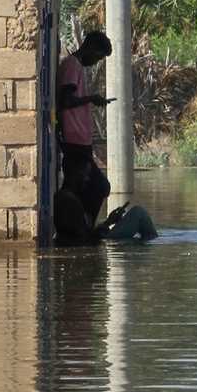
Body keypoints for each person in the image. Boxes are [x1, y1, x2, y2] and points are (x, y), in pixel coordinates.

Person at [59, 31, 114, 222]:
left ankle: (79, 225)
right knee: (98, 186)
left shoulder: (76, 67)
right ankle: (81, 227)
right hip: (74, 139)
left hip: (80, 139)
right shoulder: (72, 66)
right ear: (90, 48)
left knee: (80, 186)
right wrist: (91, 98)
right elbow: (66, 100)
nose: (97, 61)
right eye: (98, 56)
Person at [53, 190, 158, 247]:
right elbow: (88, 239)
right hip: (108, 241)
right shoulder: (71, 235)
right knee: (138, 212)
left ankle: (147, 240)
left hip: (105, 238)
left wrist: (109, 221)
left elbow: (89, 236)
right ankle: (150, 240)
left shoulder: (66, 232)